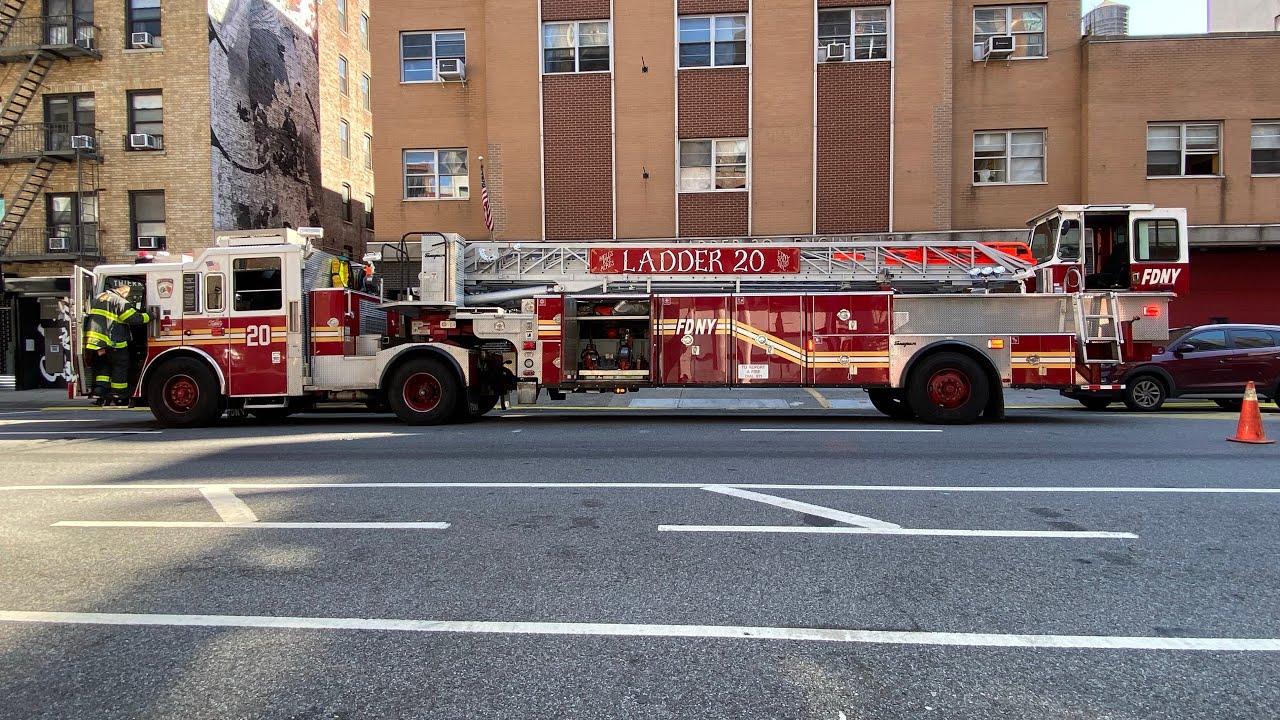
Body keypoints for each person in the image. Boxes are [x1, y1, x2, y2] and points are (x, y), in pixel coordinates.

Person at [84, 280, 150, 406]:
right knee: (120, 366)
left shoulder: (99, 297)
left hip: (97, 342)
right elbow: (133, 318)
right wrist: (150, 316)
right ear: (124, 292)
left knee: (103, 366)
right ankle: (118, 393)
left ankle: (100, 391)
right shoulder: (120, 301)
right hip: (114, 341)